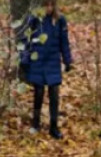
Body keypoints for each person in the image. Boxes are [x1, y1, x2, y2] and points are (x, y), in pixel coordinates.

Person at [20, 0, 73, 139]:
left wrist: (67, 60)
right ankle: (35, 123)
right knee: (38, 93)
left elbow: (64, 42)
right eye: (46, 5)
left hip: (53, 62)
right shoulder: (34, 20)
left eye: (51, 5)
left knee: (54, 94)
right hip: (38, 61)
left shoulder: (60, 20)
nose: (49, 8)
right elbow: (26, 40)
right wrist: (24, 59)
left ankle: (53, 126)